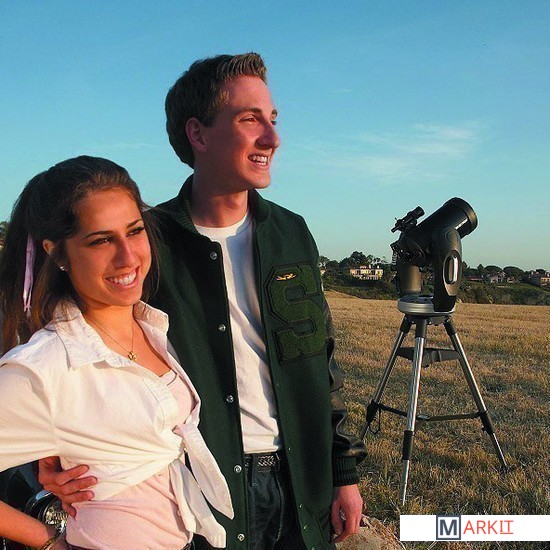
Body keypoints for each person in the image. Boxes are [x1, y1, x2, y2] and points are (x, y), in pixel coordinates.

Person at [41, 53, 367, 549]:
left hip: (303, 479)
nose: (272, 138)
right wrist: (48, 452)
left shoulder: (292, 233)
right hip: (201, 488)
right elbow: (79, 344)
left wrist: (343, 472)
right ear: (198, 133)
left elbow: (320, 357)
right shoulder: (148, 243)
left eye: (273, 119)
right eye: (250, 120)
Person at [0, 156, 233, 549]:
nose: (128, 257)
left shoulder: (151, 327)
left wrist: (56, 448)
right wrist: (48, 541)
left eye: (135, 231)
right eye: (101, 240)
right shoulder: (46, 366)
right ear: (58, 254)